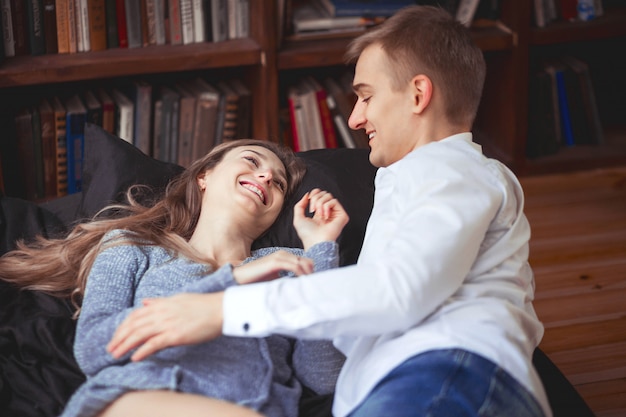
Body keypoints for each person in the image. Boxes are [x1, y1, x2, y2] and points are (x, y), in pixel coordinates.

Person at [108, 6, 551, 417]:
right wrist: (319, 251)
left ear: (418, 94)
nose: (355, 119)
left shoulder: (456, 173)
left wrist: (222, 309)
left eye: (366, 96)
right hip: (403, 384)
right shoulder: (415, 182)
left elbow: (398, 291)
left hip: (444, 376)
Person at [0, 139, 349, 417]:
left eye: (278, 182)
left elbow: (323, 377)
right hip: (138, 398)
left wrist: (321, 248)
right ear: (205, 176)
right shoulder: (133, 246)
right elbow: (93, 349)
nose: (266, 177)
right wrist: (231, 281)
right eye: (252, 161)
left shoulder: (291, 266)